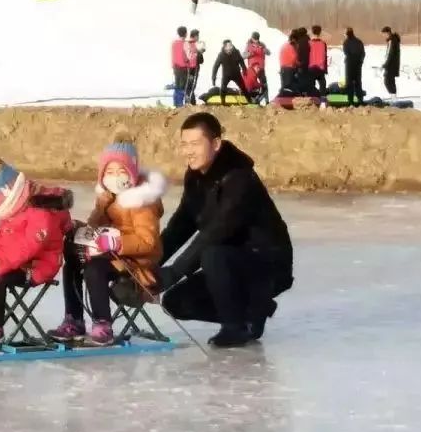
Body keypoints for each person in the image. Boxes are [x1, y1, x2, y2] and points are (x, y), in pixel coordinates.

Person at [155, 112, 294, 347]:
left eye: (195, 144)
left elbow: (216, 232)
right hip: (228, 263)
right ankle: (252, 313)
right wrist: (149, 263)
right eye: (184, 144)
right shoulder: (196, 176)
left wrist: (174, 272)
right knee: (176, 302)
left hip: (267, 265)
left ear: (216, 144)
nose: (188, 151)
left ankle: (234, 327)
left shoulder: (239, 178)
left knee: (212, 253)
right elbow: (180, 226)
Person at [51, 130, 167, 347]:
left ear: (131, 172)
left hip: (136, 261)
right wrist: (89, 220)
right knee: (72, 265)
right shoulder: (107, 197)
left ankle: (102, 323)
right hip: (109, 253)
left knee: (94, 268)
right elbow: (95, 227)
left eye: (121, 171)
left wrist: (118, 242)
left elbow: (148, 241)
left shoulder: (142, 200)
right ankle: (74, 320)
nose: (115, 177)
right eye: (110, 171)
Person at [0, 153, 73, 350]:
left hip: (36, 267)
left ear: (8, 191)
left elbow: (29, 246)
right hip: (10, 262)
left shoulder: (40, 210)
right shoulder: (12, 210)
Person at [244, 32, 271, 101]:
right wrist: (250, 54)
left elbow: (269, 53)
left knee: (264, 84)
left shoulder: (262, 44)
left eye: (257, 39)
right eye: (254, 39)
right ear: (252, 38)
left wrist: (265, 50)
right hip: (252, 69)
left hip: (261, 68)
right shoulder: (248, 45)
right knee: (253, 85)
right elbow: (243, 56)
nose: (256, 41)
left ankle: (267, 100)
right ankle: (253, 99)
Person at [342, 27, 365, 106]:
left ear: (347, 34)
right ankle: (360, 100)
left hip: (349, 64)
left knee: (349, 83)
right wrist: (360, 61)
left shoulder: (346, 42)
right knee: (358, 82)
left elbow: (346, 52)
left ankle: (350, 100)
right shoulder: (359, 41)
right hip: (358, 64)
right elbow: (363, 53)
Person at [185, 28, 205, 104]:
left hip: (188, 67)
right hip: (193, 67)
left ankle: (190, 101)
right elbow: (198, 58)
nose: (198, 37)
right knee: (192, 85)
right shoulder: (194, 44)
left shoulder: (187, 43)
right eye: (198, 36)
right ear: (195, 36)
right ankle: (191, 102)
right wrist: (200, 52)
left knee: (189, 85)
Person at [171, 26, 190, 107]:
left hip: (175, 67)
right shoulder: (185, 44)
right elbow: (186, 57)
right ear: (186, 34)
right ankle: (180, 105)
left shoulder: (174, 43)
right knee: (182, 87)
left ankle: (176, 103)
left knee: (177, 85)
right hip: (183, 68)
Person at [308, 25, 328, 97]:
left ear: (312, 32)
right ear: (320, 32)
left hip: (311, 67)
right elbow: (325, 56)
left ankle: (313, 100)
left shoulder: (309, 43)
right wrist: (325, 69)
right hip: (320, 68)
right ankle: (323, 100)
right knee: (322, 85)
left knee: (311, 86)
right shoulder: (323, 43)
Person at [381, 26, 401, 97]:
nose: (384, 36)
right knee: (391, 81)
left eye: (384, 34)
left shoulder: (392, 40)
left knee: (387, 81)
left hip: (391, 65)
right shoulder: (393, 40)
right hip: (393, 64)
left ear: (387, 32)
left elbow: (390, 54)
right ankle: (393, 96)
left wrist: (385, 64)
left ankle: (393, 96)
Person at [295, 27, 311, 94]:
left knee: (301, 79)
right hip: (309, 63)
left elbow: (298, 53)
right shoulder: (309, 40)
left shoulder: (298, 42)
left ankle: (302, 93)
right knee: (308, 79)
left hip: (301, 63)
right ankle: (308, 92)